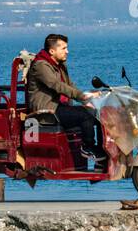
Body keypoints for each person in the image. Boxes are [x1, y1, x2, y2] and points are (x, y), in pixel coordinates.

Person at [26, 33, 106, 166]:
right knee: (85, 116)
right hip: (47, 111)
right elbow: (57, 86)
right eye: (63, 48)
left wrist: (86, 99)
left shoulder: (59, 65)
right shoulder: (41, 66)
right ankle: (87, 148)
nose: (67, 51)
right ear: (52, 51)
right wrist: (81, 97)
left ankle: (100, 150)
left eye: (66, 48)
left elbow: (69, 85)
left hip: (58, 107)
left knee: (96, 113)